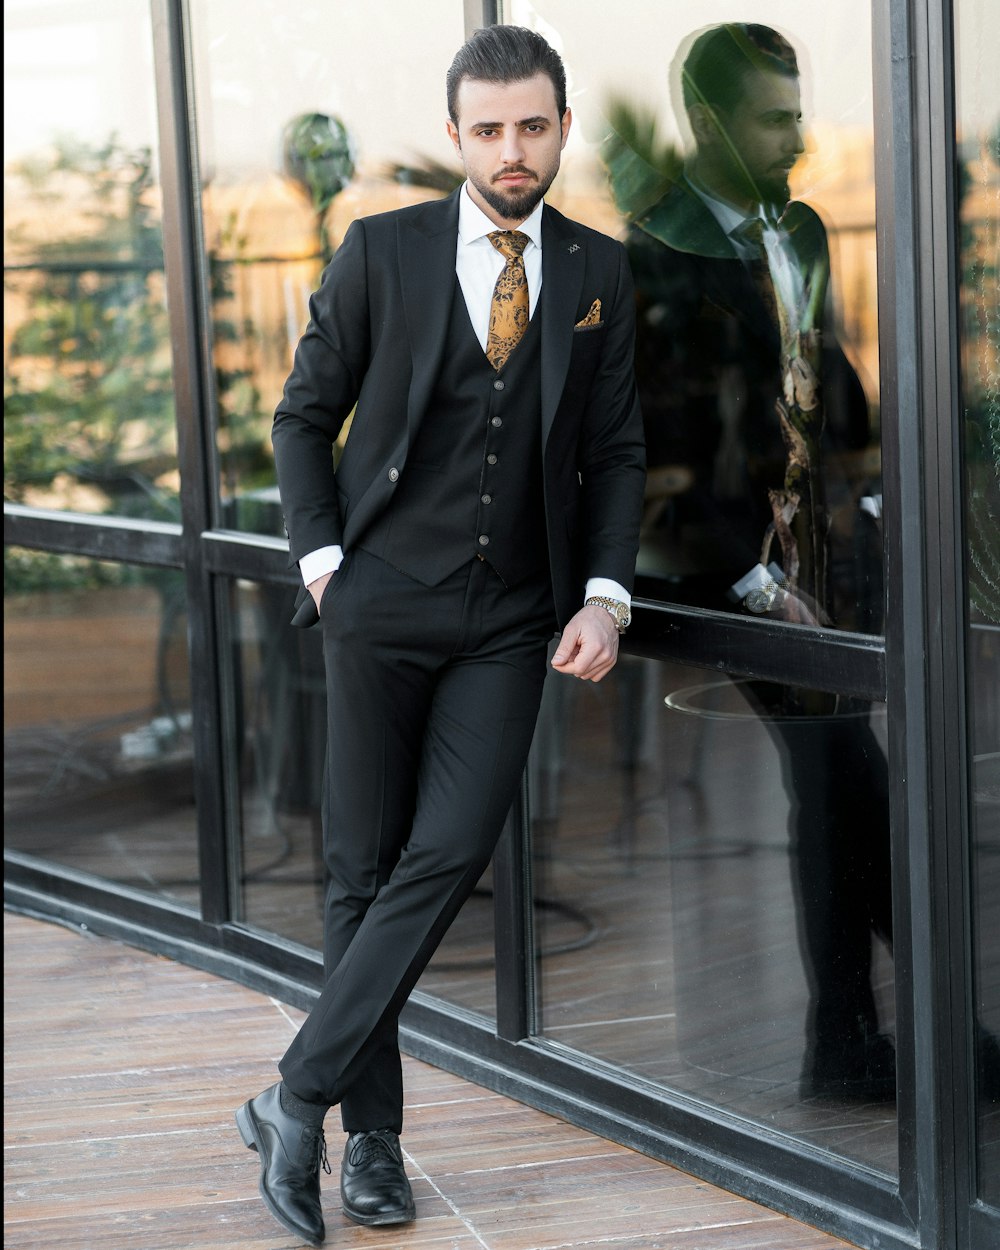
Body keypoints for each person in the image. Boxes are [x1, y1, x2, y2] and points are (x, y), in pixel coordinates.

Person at [235, 24, 646, 1247]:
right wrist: (326, 566)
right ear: (459, 132)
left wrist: (607, 592)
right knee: (359, 870)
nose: (511, 151)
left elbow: (617, 450)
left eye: (532, 126)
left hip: (512, 617)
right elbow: (302, 418)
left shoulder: (599, 273)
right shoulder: (381, 253)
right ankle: (374, 1146)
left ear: (562, 127)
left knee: (451, 847)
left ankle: (290, 1093)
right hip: (378, 606)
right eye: (488, 129)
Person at [623, 24, 894, 1102]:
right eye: (773, 117)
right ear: (705, 122)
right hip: (714, 569)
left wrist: (870, 493)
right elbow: (662, 444)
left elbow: (823, 364)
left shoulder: (806, 227)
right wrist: (751, 578)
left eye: (797, 110)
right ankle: (854, 1037)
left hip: (818, 550)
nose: (798, 135)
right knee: (842, 777)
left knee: (849, 783)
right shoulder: (653, 249)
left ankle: (859, 1033)